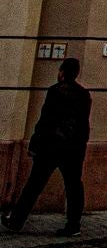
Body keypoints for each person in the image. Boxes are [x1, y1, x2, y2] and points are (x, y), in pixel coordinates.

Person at [2, 57, 92, 236]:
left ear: (63, 73)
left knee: (34, 184)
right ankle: (73, 225)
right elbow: (83, 124)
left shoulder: (55, 91)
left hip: (52, 146)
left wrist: (35, 143)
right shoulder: (84, 95)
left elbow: (46, 120)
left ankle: (16, 221)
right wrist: (81, 144)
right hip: (74, 149)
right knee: (74, 186)